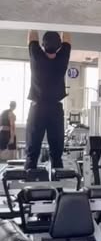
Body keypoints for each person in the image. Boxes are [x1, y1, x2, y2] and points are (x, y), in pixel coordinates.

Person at [25, 30, 71, 170]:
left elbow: (32, 35)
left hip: (38, 109)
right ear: (59, 46)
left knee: (32, 153)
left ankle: (29, 181)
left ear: (43, 45)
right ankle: (58, 182)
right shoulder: (62, 59)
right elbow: (67, 37)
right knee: (56, 154)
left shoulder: (37, 58)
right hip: (55, 109)